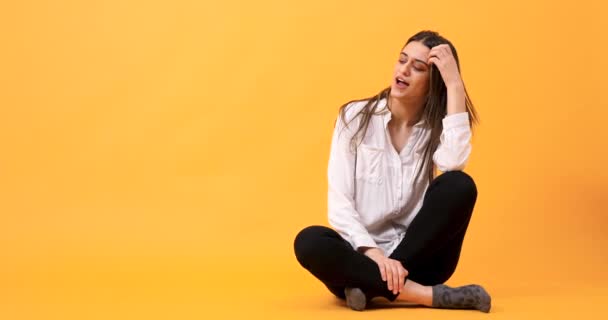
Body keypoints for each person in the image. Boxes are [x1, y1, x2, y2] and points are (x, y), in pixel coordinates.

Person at [293, 30, 491, 312]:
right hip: (360, 257)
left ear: (434, 83)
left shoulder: (436, 128)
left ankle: (367, 288)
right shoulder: (354, 118)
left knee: (460, 185)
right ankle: (426, 296)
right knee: (309, 240)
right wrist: (375, 256)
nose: (404, 70)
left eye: (418, 67)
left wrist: (455, 85)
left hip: (419, 261)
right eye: (402, 60)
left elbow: (453, 166)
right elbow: (340, 203)